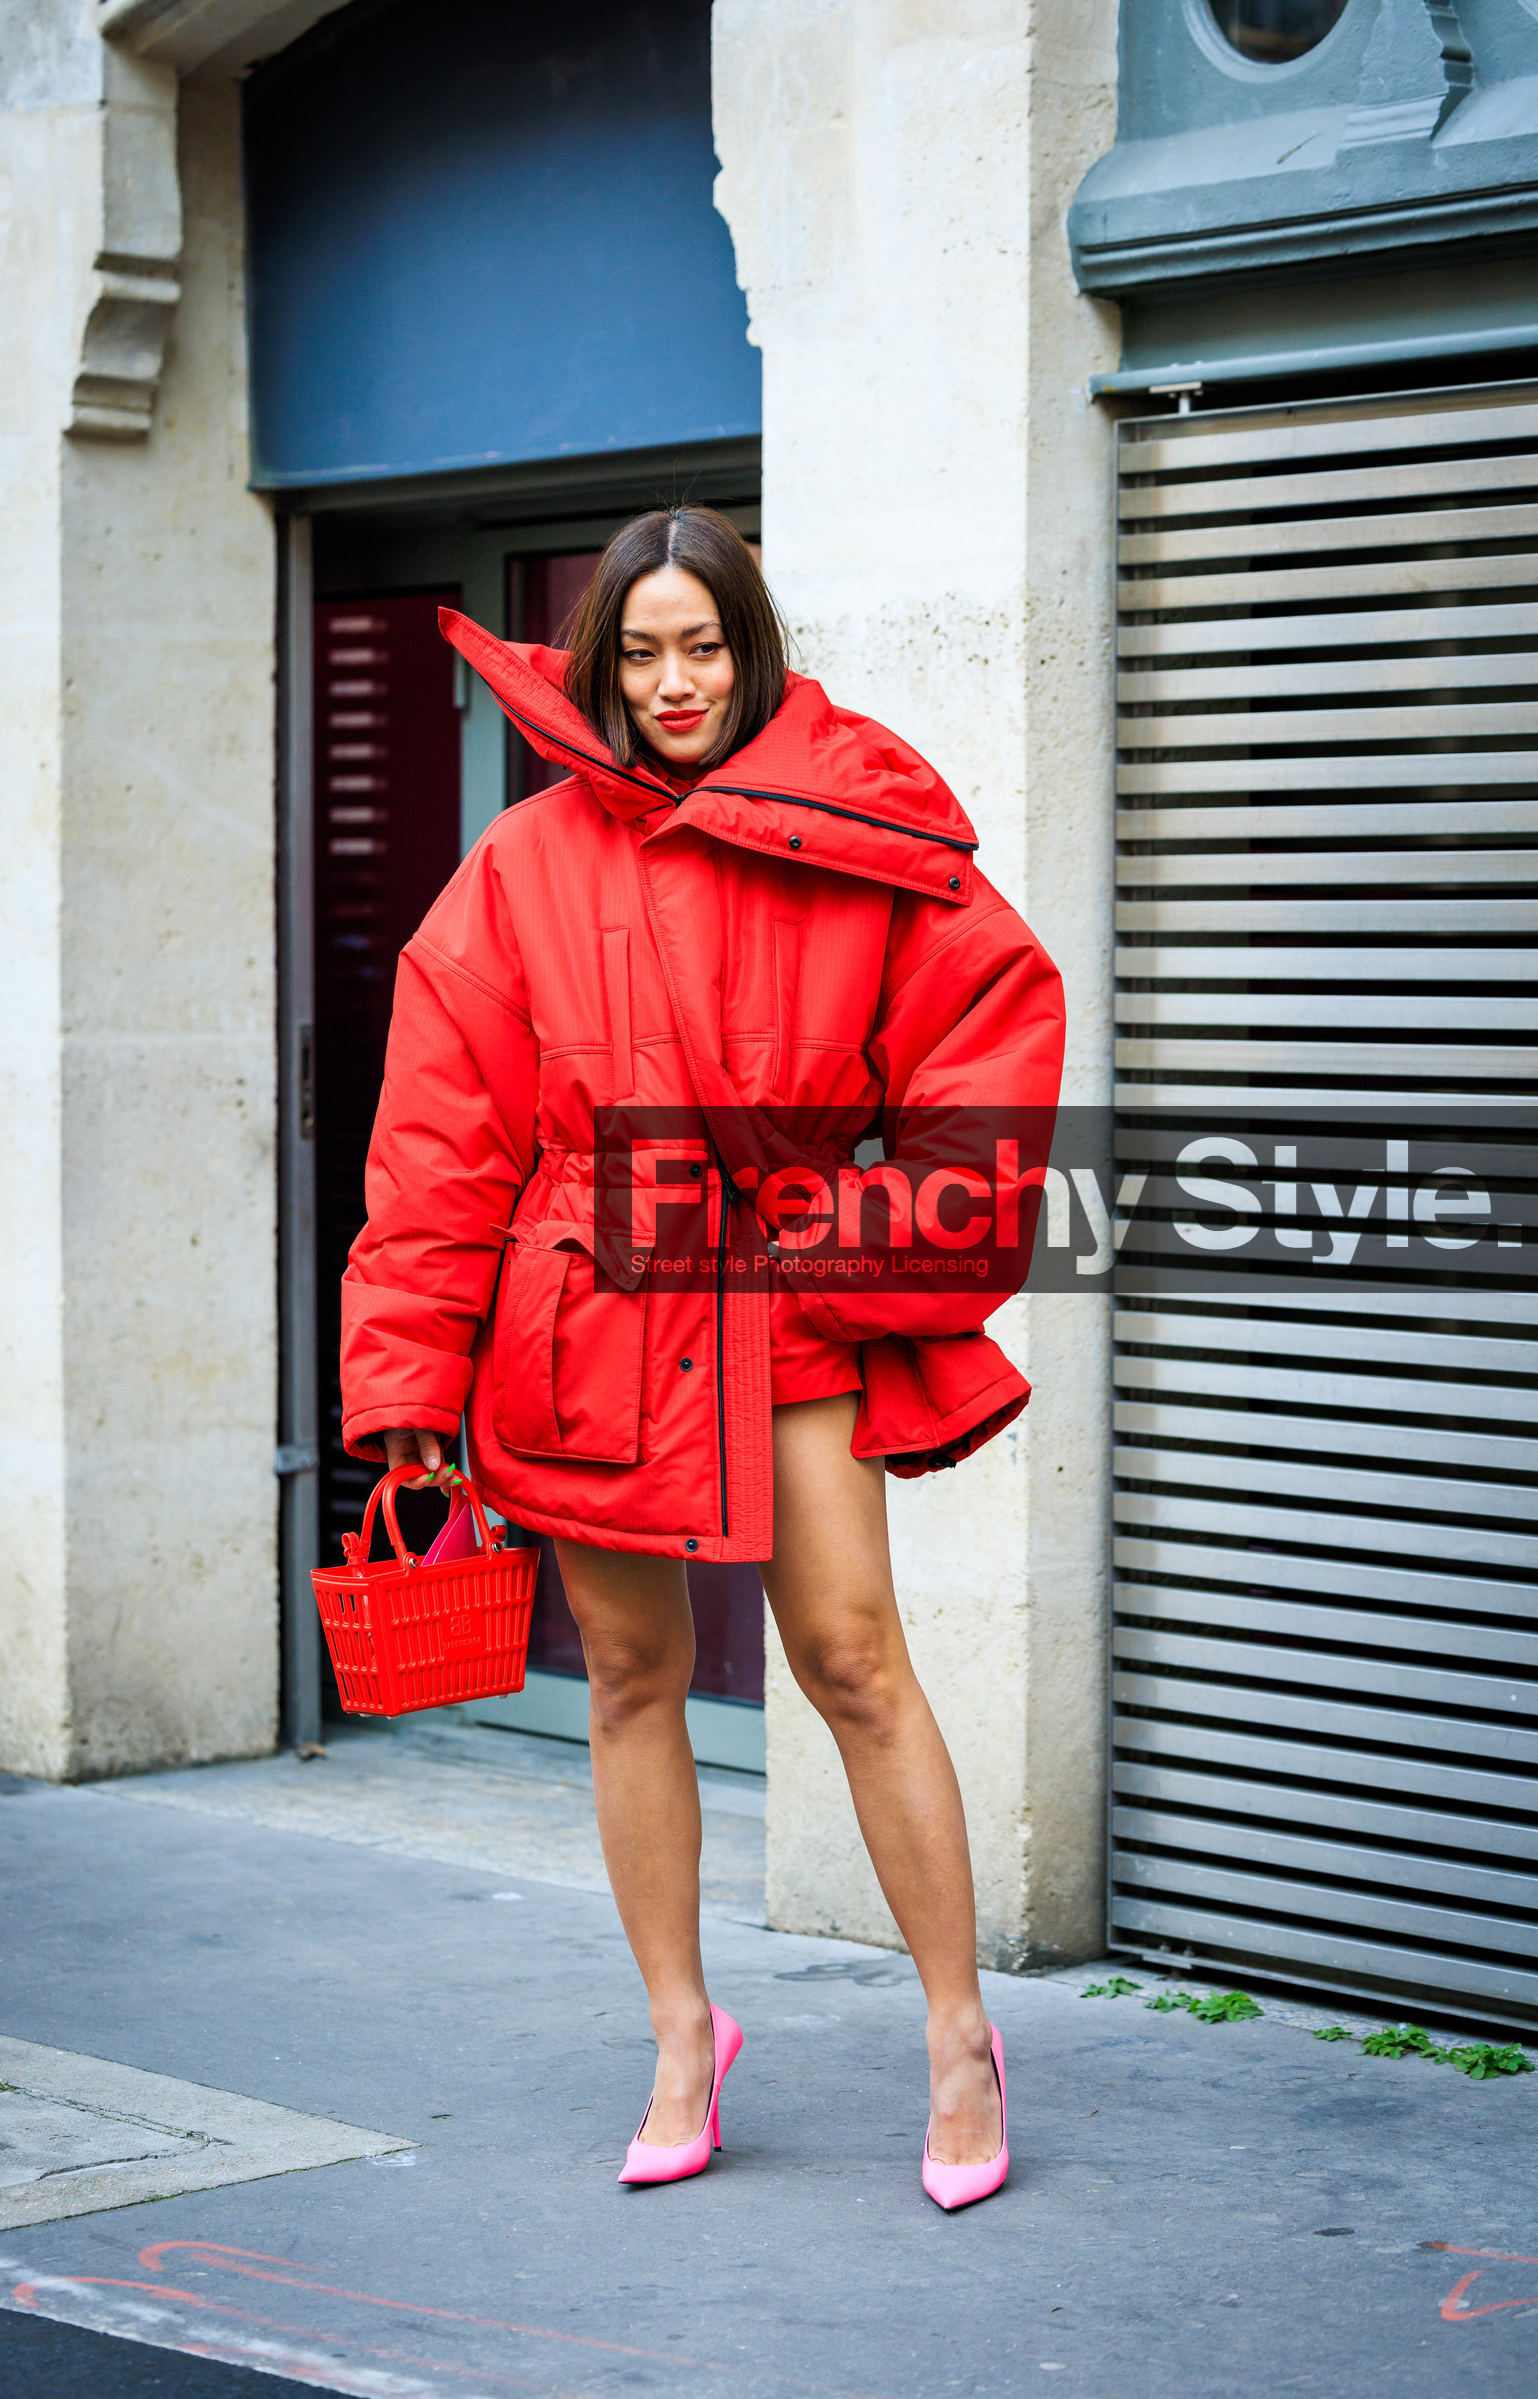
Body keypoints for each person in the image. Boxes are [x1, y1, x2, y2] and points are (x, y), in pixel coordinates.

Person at [340, 508, 1064, 2209]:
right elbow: (438, 1141)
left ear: (755, 648)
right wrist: (405, 1385)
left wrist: (852, 1238)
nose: (675, 683)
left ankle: (960, 2037)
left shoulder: (865, 820)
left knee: (852, 1656)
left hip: (786, 1295)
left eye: (704, 645)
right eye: (642, 651)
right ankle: (682, 2032)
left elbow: (993, 1042)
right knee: (628, 1676)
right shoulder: (521, 864)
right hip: (585, 1313)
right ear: (604, 660)